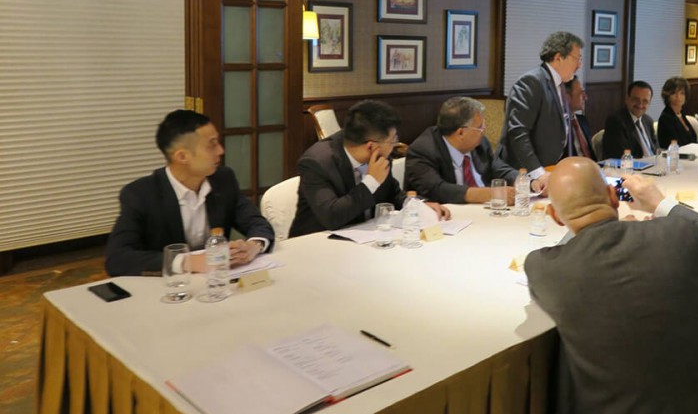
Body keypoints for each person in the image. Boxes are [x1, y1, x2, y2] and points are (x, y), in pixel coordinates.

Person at [524, 157, 698, 414]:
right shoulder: (675, 233)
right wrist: (661, 205)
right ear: (613, 196)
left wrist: (592, 225)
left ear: (554, 216)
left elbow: (581, 256)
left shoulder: (544, 269)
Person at [105, 110, 274, 277]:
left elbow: (256, 222)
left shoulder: (223, 179)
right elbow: (117, 258)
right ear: (182, 156)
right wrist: (186, 262)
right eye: (212, 144)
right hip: (169, 286)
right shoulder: (140, 194)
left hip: (217, 282)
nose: (221, 150)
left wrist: (254, 246)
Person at [289, 100, 449, 236]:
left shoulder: (379, 156)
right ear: (372, 146)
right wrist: (371, 181)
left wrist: (416, 205)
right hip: (316, 244)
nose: (394, 145)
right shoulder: (316, 162)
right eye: (392, 140)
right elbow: (332, 217)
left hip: (365, 239)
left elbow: (393, 194)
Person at [498, 31, 584, 190]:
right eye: (577, 59)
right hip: (524, 175)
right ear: (559, 57)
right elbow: (518, 133)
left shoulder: (559, 84)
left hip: (548, 171)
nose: (579, 65)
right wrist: (538, 173)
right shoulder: (531, 82)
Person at [404, 97, 520, 204]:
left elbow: (496, 166)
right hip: (448, 213)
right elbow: (437, 189)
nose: (483, 130)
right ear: (461, 133)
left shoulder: (478, 143)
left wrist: (519, 179)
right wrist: (490, 194)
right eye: (480, 127)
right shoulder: (422, 151)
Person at [602, 80, 659, 159]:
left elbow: (656, 150)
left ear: (649, 103)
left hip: (653, 163)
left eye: (645, 101)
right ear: (627, 99)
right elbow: (620, 156)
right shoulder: (616, 122)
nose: (640, 104)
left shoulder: (648, 121)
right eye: (636, 99)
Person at [657, 76, 698, 147]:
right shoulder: (666, 118)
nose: (678, 96)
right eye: (674, 93)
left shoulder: (681, 114)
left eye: (682, 93)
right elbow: (674, 145)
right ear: (667, 95)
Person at [565, 75, 595, 159]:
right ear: (567, 97)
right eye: (581, 93)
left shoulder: (582, 120)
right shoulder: (558, 126)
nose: (586, 97)